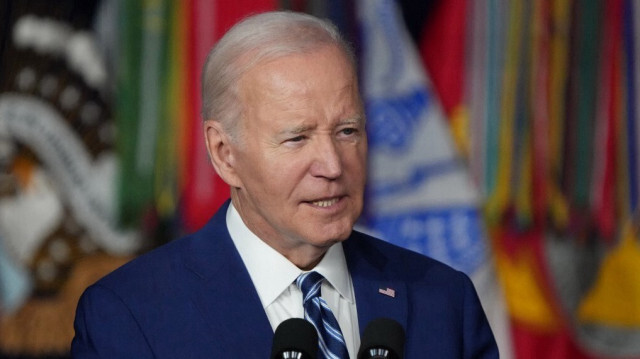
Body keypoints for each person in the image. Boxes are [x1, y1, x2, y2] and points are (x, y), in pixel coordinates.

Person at [71, 11, 498, 359]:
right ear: (224, 153)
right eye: (297, 138)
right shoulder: (129, 317)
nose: (332, 165)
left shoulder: (444, 302)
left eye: (347, 131)